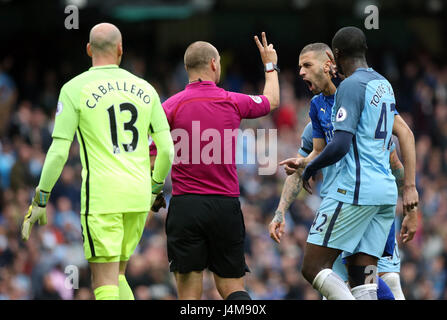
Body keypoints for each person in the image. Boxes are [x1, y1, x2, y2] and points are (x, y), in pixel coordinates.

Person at [21, 23, 174, 300]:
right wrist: (154, 190)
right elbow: (166, 150)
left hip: (103, 197)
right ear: (120, 49)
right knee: (118, 276)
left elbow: (58, 151)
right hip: (138, 196)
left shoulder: (74, 88)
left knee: (103, 282)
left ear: (89, 49)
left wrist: (41, 199)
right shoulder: (146, 89)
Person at [277, 27, 418, 300]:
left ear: (335, 56)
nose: (302, 72)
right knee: (362, 276)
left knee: (313, 266)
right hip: (384, 194)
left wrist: (311, 168)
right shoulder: (382, 84)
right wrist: (410, 189)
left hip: (356, 191)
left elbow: (340, 144)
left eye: (307, 65)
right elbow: (403, 136)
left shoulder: (350, 87)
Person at [151, 32, 279, 300]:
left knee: (189, 296)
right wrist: (269, 64)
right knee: (232, 289)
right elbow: (271, 101)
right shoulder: (232, 100)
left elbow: (154, 154)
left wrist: (154, 192)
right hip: (225, 206)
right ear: (213, 64)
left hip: (186, 207)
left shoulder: (169, 107)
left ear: (187, 69)